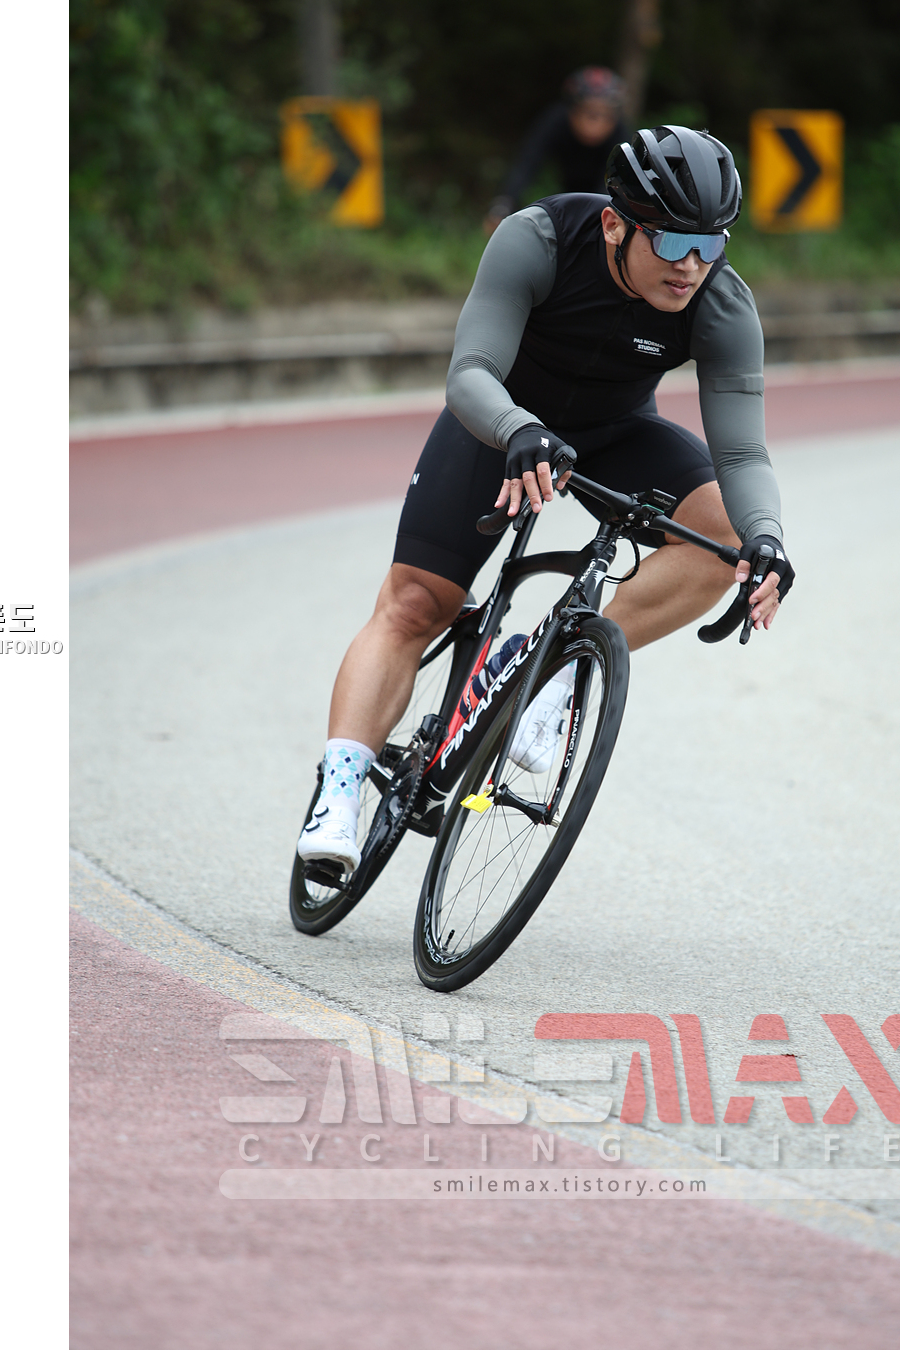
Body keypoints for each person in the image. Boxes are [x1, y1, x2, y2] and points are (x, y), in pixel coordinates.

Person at [299, 125, 797, 874]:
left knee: (724, 537)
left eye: (711, 243)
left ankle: (558, 666)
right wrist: (518, 429)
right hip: (499, 422)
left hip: (614, 432)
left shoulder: (720, 301)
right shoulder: (539, 239)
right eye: (671, 242)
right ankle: (337, 792)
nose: (691, 265)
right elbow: (470, 372)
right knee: (415, 605)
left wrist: (768, 539)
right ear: (615, 224)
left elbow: (743, 454)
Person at [482, 67, 631, 235]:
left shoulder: (620, 136)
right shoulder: (556, 122)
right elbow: (526, 164)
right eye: (589, 113)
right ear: (572, 110)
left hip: (603, 197)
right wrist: (504, 205)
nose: (595, 124)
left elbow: (617, 185)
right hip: (565, 193)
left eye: (606, 115)